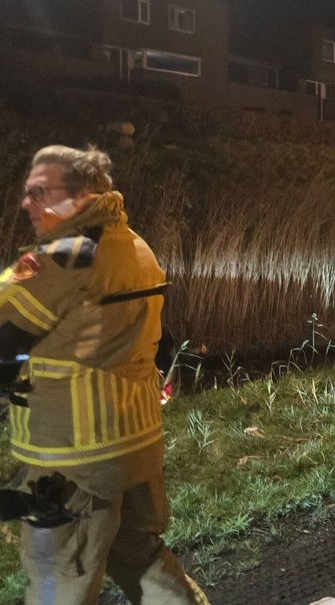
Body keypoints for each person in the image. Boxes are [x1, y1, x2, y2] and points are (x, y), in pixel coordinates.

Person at [0, 146, 209, 603]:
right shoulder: (136, 247)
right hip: (134, 444)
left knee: (60, 577)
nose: (26, 204)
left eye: (40, 193)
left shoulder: (59, 262)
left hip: (72, 460)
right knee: (140, 555)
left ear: (78, 196)